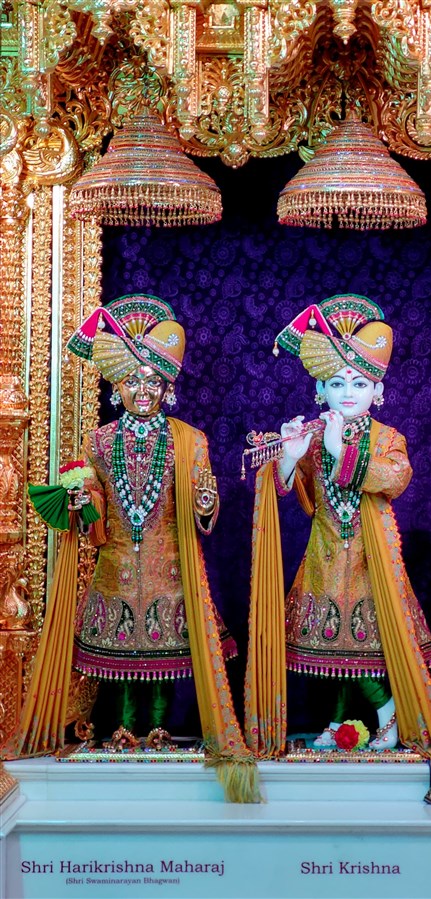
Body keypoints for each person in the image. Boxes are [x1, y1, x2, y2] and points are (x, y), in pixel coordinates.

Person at [9, 295, 257, 802]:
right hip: (116, 565)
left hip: (169, 566)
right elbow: (93, 496)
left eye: (152, 382)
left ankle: (159, 729)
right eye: (131, 381)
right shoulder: (99, 441)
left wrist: (206, 503)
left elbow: (202, 500)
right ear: (116, 386)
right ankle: (123, 729)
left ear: (168, 387)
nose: (142, 391)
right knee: (119, 656)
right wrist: (84, 499)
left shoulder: (190, 439)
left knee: (164, 655)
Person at [245, 294, 431, 806]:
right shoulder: (313, 433)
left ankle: (389, 717)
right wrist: (289, 457)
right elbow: (294, 492)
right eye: (336, 383)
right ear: (319, 389)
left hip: (373, 559)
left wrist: (339, 451)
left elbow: (395, 479)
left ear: (378, 390)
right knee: (330, 650)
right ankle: (337, 724)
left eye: (358, 383)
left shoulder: (388, 436)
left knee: (370, 647)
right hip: (326, 554)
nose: (347, 393)